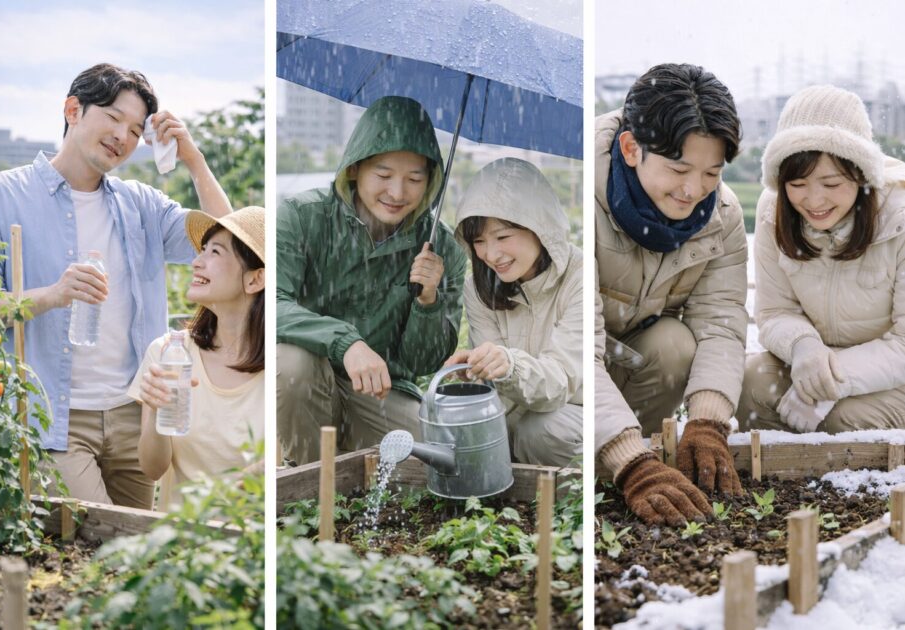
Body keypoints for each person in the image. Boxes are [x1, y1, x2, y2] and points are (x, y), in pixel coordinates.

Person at [0, 63, 233, 509]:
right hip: (52, 420)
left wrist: (194, 160)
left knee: (139, 544)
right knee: (98, 536)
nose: (123, 136)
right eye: (113, 117)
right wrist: (53, 295)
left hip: (134, 415)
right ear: (73, 110)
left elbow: (229, 244)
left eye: (136, 130)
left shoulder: (141, 204)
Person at [595, 63, 748, 526]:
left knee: (673, 344)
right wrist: (630, 463)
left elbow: (720, 321)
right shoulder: (587, 193)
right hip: (571, 369)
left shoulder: (721, 215)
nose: (693, 190)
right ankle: (622, 460)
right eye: (679, 169)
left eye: (711, 172)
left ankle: (645, 454)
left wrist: (708, 422)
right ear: (631, 149)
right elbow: (574, 341)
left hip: (633, 359)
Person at [276, 96, 465, 465]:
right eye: (383, 175)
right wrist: (346, 343)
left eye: (414, 179)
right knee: (291, 363)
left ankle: (349, 465)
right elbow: (273, 304)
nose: (397, 193)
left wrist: (428, 300)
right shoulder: (301, 217)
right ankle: (308, 481)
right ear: (354, 169)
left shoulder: (442, 248)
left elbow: (423, 361)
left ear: (431, 182)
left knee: (438, 461)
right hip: (310, 377)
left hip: (382, 392)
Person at [737, 85, 905, 433]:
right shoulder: (772, 212)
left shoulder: (899, 216)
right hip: (814, 361)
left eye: (830, 184)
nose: (814, 201)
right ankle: (782, 465)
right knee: (751, 385)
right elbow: (775, 311)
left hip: (894, 376)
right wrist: (804, 347)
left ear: (860, 174)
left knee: (842, 420)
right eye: (798, 184)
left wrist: (833, 380)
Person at [444, 158, 582, 467]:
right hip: (516, 416)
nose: (491, 255)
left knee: (540, 432)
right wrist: (479, 369)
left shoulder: (580, 277)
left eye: (503, 237)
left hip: (578, 412)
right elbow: (496, 389)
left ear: (540, 228)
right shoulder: (478, 288)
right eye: (479, 241)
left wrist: (509, 365)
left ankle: (582, 488)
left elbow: (561, 380)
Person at [128, 206, 264, 511]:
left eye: (215, 252)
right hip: (183, 535)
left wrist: (216, 500)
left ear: (255, 280)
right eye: (202, 250)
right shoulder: (168, 352)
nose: (196, 262)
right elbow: (152, 469)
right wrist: (157, 410)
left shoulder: (281, 366)